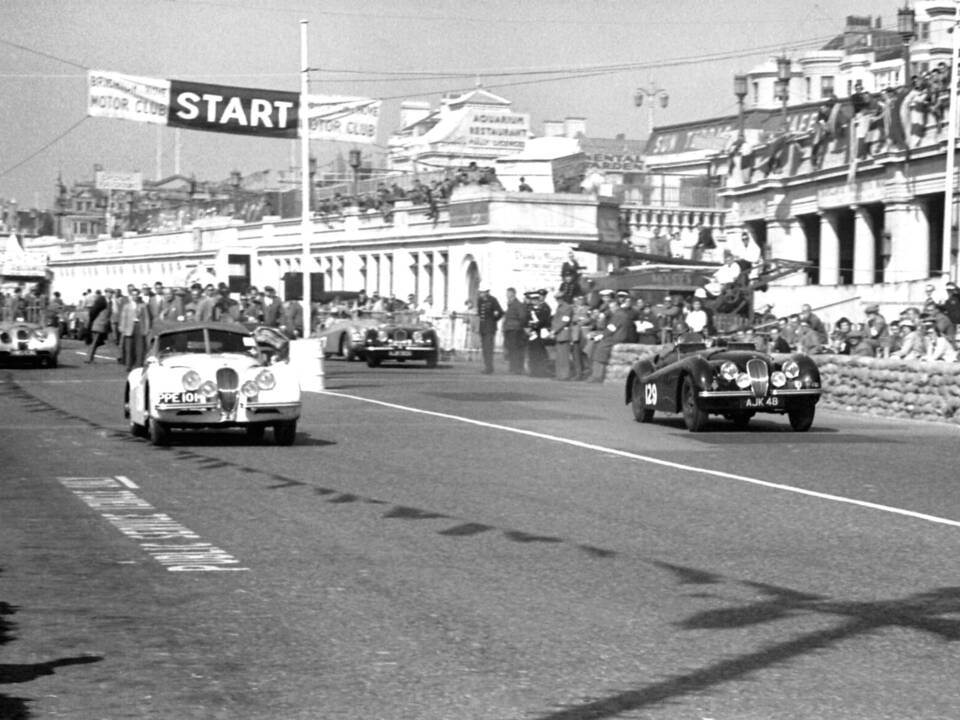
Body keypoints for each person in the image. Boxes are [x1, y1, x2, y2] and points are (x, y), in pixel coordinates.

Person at [589, 290, 638, 383]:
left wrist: (600, 336)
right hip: (621, 336)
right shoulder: (622, 314)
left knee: (601, 347)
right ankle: (595, 374)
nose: (610, 309)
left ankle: (597, 375)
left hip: (618, 337)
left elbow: (611, 329)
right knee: (600, 345)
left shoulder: (618, 315)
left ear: (615, 307)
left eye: (611, 307)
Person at [119, 287, 150, 371]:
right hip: (129, 328)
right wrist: (122, 328)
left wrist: (146, 329)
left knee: (139, 347)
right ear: (130, 296)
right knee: (128, 348)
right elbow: (123, 317)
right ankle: (128, 365)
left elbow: (146, 318)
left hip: (139, 327)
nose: (135, 297)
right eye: (133, 295)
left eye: (136, 295)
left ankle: (139, 364)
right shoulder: (126, 306)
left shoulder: (143, 305)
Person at [524, 290, 552, 377]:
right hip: (532, 333)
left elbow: (544, 321)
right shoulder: (530, 309)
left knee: (539, 353)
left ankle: (540, 371)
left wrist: (533, 326)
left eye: (535, 300)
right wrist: (527, 328)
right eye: (533, 300)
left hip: (539, 333)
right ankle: (533, 370)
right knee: (532, 352)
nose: (534, 301)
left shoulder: (543, 309)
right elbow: (526, 319)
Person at [475, 288, 504, 374]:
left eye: (483, 292)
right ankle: (487, 366)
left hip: (490, 327)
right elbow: (480, 313)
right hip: (483, 327)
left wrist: (494, 320)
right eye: (481, 292)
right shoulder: (480, 300)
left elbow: (500, 312)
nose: (481, 294)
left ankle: (489, 367)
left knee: (488, 348)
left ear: (487, 292)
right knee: (484, 348)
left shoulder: (493, 300)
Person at [501, 287, 527, 375]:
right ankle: (513, 367)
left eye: (508, 293)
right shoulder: (510, 304)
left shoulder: (517, 304)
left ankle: (517, 368)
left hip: (515, 329)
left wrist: (519, 325)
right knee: (511, 349)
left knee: (516, 350)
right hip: (509, 329)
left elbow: (522, 316)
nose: (507, 295)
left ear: (513, 294)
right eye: (507, 293)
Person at [550, 292, 575, 380]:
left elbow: (564, 321)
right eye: (557, 299)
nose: (558, 300)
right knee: (559, 356)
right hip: (559, 334)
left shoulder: (567, 307)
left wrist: (554, 330)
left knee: (564, 356)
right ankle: (559, 375)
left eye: (559, 299)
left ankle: (565, 375)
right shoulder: (560, 307)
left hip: (563, 334)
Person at [85, 290, 110, 363]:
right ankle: (88, 358)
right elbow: (93, 311)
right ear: (106, 293)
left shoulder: (107, 301)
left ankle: (89, 357)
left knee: (96, 342)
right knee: (94, 342)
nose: (111, 295)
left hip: (103, 324)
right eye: (109, 293)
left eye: (111, 293)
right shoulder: (102, 301)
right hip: (99, 324)